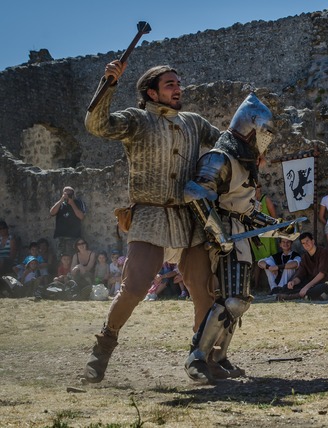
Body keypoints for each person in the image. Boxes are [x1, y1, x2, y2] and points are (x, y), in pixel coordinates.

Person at [83, 61, 222, 384]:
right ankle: (102, 348)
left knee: (204, 291)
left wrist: (252, 145)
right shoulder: (137, 120)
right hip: (148, 213)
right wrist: (109, 84)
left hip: (191, 216)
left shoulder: (194, 123)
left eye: (178, 83)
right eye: (171, 84)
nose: (178, 89)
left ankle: (202, 356)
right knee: (135, 287)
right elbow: (98, 125)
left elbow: (225, 146)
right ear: (152, 92)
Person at [182, 92, 287, 384]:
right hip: (220, 233)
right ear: (249, 130)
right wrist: (218, 233)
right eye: (261, 135)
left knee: (240, 301)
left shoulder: (244, 164)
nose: (263, 142)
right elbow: (195, 194)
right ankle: (197, 357)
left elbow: (247, 211)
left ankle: (219, 357)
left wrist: (279, 228)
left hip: (240, 234)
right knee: (231, 300)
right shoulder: (220, 157)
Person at [276, 232, 328, 301]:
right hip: (311, 284)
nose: (306, 244)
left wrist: (306, 287)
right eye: (303, 243)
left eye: (307, 241)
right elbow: (300, 275)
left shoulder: (323, 252)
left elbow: (321, 274)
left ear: (313, 241)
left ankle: (293, 296)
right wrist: (293, 282)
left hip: (326, 282)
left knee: (318, 288)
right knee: (286, 288)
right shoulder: (305, 257)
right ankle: (311, 295)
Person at [49, 186, 86, 257]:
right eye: (66, 194)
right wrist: (61, 200)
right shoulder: (60, 204)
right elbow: (52, 213)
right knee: (60, 258)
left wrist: (72, 203)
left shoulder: (78, 203)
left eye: (69, 194)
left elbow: (81, 217)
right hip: (60, 236)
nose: (67, 196)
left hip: (73, 236)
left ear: (73, 195)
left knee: (73, 257)